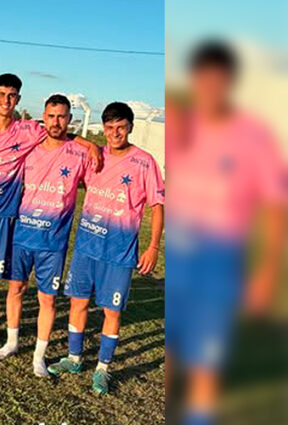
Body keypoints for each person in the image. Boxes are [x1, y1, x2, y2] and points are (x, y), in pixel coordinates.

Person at [0, 74, 101, 356]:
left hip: (2, 219)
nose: (6, 100)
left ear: (18, 99)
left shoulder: (28, 131)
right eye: (1, 94)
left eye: (11, 95)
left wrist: (90, 144)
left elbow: (58, 131)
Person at [166, 42, 286, 425]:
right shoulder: (184, 128)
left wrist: (267, 272)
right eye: (202, 81)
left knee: (207, 353)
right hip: (181, 252)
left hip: (220, 256)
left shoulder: (254, 136)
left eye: (218, 81)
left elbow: (276, 207)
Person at [47, 102, 165, 395]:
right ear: (104, 128)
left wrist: (153, 246)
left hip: (119, 253)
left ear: (130, 127)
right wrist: (89, 143)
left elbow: (157, 206)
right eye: (110, 128)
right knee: (78, 303)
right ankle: (74, 358)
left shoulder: (145, 162)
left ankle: (103, 368)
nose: (115, 133)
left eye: (121, 127)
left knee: (112, 312)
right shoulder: (95, 155)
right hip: (86, 246)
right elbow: (62, 136)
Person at [0, 94, 90, 377]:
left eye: (62, 116)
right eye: (51, 116)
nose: (56, 122)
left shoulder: (80, 153)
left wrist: (91, 146)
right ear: (43, 117)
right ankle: (11, 342)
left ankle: (39, 356)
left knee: (47, 299)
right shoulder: (30, 147)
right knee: (16, 289)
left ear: (70, 119)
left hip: (53, 242)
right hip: (22, 235)